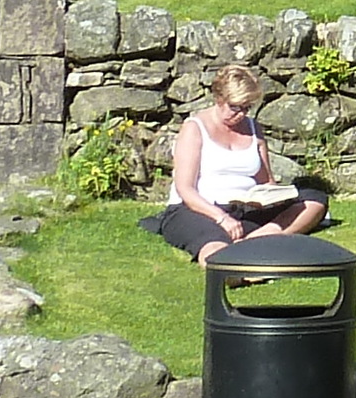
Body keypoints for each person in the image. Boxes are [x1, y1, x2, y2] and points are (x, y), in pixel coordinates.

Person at [141, 64, 331, 264]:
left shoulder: (253, 128)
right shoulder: (195, 128)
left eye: (246, 108)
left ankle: (256, 241)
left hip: (244, 208)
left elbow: (266, 181)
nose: (240, 114)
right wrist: (222, 218)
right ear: (219, 99)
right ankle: (231, 267)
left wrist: (273, 196)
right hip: (200, 209)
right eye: (235, 107)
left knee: (314, 199)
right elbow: (185, 189)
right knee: (214, 242)